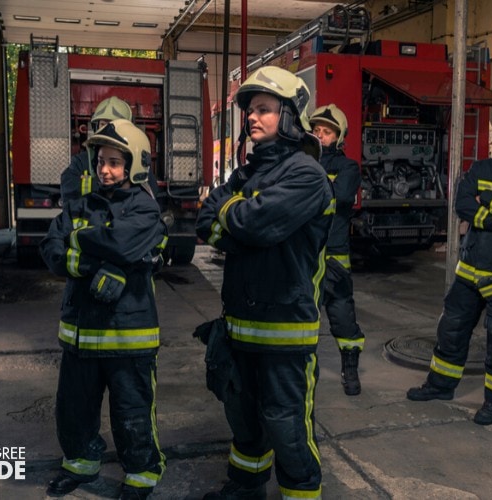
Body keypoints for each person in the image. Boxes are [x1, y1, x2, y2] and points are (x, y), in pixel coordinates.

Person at [196, 66, 334, 500]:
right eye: (250, 110)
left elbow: (252, 225)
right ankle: (246, 486)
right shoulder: (245, 175)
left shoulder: (306, 175)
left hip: (284, 332)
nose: (252, 118)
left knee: (286, 426)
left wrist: (233, 218)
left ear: (290, 117)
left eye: (264, 110)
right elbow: (208, 224)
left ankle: (301, 494)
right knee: (244, 419)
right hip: (239, 326)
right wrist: (235, 217)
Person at [40, 119, 168, 499]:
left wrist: (78, 241)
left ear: (135, 164)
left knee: (132, 413)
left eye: (115, 162)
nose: (105, 171)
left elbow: (121, 244)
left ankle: (141, 475)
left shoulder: (144, 208)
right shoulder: (80, 203)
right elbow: (50, 247)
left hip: (127, 337)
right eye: (101, 162)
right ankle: (80, 465)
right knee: (74, 410)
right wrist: (84, 263)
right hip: (79, 334)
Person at [406, 101, 492, 426]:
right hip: (471, 271)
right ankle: (440, 385)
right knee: (452, 330)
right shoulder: (482, 168)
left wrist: (487, 205)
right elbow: (463, 203)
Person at [309, 104, 364, 396]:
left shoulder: (348, 167)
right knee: (303, 317)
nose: (320, 136)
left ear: (338, 137)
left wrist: (307, 186)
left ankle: (350, 370)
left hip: (334, 258)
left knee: (342, 316)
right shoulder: (302, 162)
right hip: (305, 256)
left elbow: (342, 195)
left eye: (326, 132)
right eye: (316, 131)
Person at [61, 96, 134, 201]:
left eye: (113, 125)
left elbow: (147, 195)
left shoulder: (135, 161)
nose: (108, 130)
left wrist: (90, 184)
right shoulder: (81, 162)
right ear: (96, 128)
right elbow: (69, 191)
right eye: (103, 124)